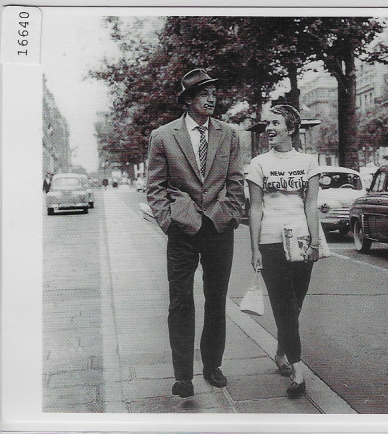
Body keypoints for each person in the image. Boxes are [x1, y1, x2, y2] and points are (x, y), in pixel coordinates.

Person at [147, 69, 244, 398]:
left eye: (214, 92)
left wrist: (228, 214)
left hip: (218, 228)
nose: (212, 98)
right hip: (182, 230)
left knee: (216, 301)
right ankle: (183, 376)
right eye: (204, 94)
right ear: (188, 100)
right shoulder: (163, 136)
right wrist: (169, 220)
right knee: (180, 302)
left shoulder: (229, 134)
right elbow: (155, 187)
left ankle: (212, 365)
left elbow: (235, 183)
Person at [246, 104, 320, 398]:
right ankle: (298, 371)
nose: (269, 128)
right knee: (284, 307)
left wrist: (315, 242)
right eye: (267, 123)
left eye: (275, 123)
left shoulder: (309, 162)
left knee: (295, 305)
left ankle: (281, 352)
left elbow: (311, 205)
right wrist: (255, 249)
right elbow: (255, 208)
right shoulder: (258, 164)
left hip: (301, 240)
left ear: (291, 129)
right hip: (271, 241)